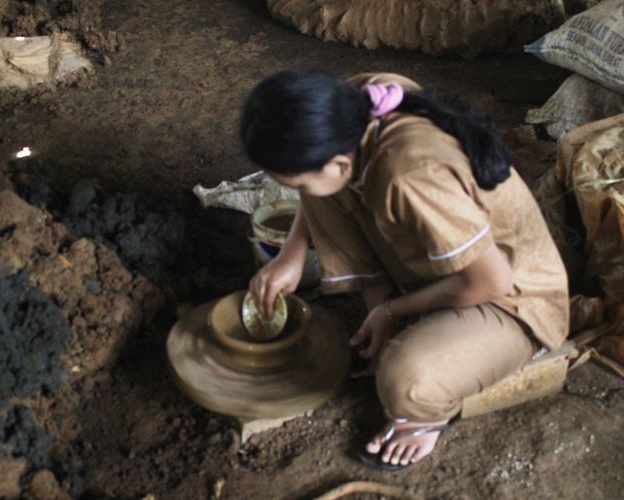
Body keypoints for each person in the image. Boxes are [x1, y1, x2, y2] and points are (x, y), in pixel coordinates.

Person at [241, 70, 569, 471]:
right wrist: (291, 251)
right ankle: (390, 322)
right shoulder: (358, 99)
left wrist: (393, 312)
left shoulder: (411, 175)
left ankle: (427, 419)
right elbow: (319, 189)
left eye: (295, 183)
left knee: (404, 380)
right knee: (324, 193)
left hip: (511, 295)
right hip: (439, 260)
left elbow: (491, 281)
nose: (300, 193)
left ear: (341, 163)